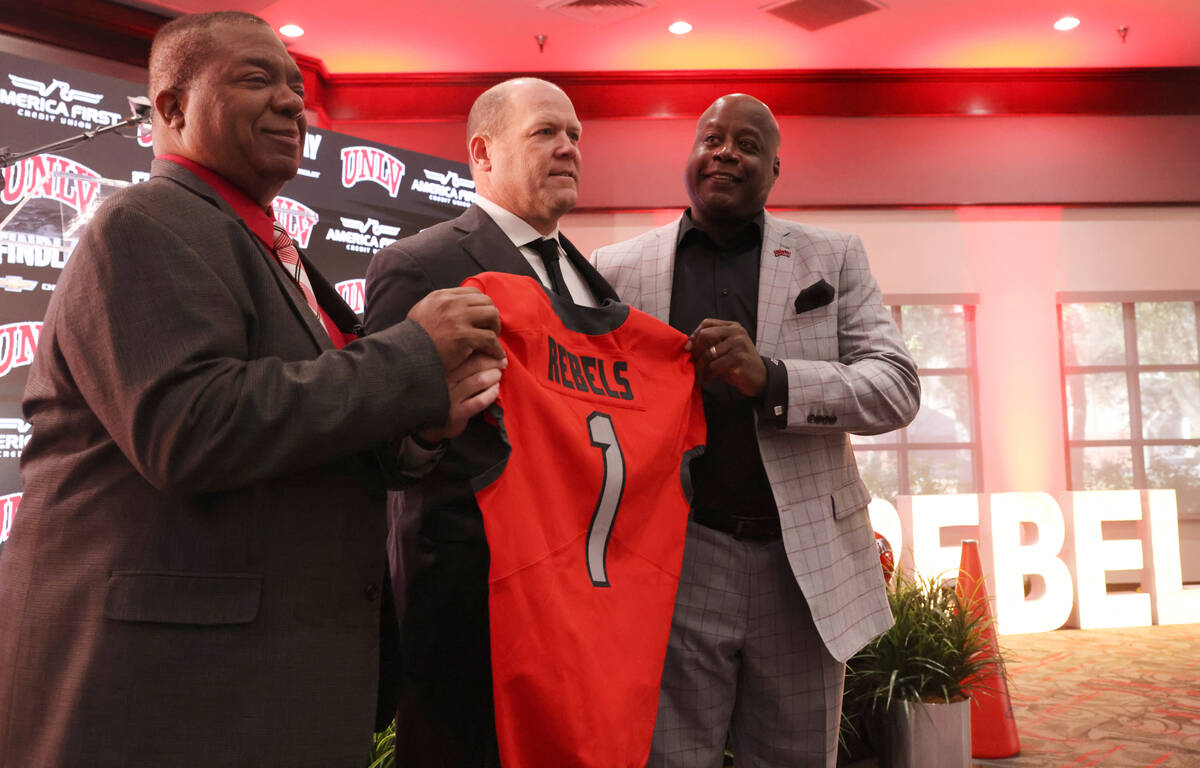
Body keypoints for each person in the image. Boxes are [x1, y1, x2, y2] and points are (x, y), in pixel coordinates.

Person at [0, 12, 504, 767]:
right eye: (255, 78)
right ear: (170, 109)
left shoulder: (262, 241)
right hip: (168, 697)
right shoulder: (145, 222)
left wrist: (424, 428)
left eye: (296, 87)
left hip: (255, 683)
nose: (292, 102)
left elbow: (312, 427)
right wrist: (410, 360)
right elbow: (190, 428)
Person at [592, 93, 921, 767]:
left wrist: (773, 378)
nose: (726, 153)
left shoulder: (832, 258)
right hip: (676, 559)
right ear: (689, 156)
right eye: (711, 139)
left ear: (774, 169)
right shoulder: (616, 269)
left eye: (747, 144)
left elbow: (895, 387)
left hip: (802, 568)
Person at [365, 77, 618, 767]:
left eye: (575, 136)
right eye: (545, 132)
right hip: (464, 607)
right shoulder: (419, 265)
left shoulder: (595, 285)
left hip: (576, 598)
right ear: (482, 152)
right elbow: (379, 436)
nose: (568, 147)